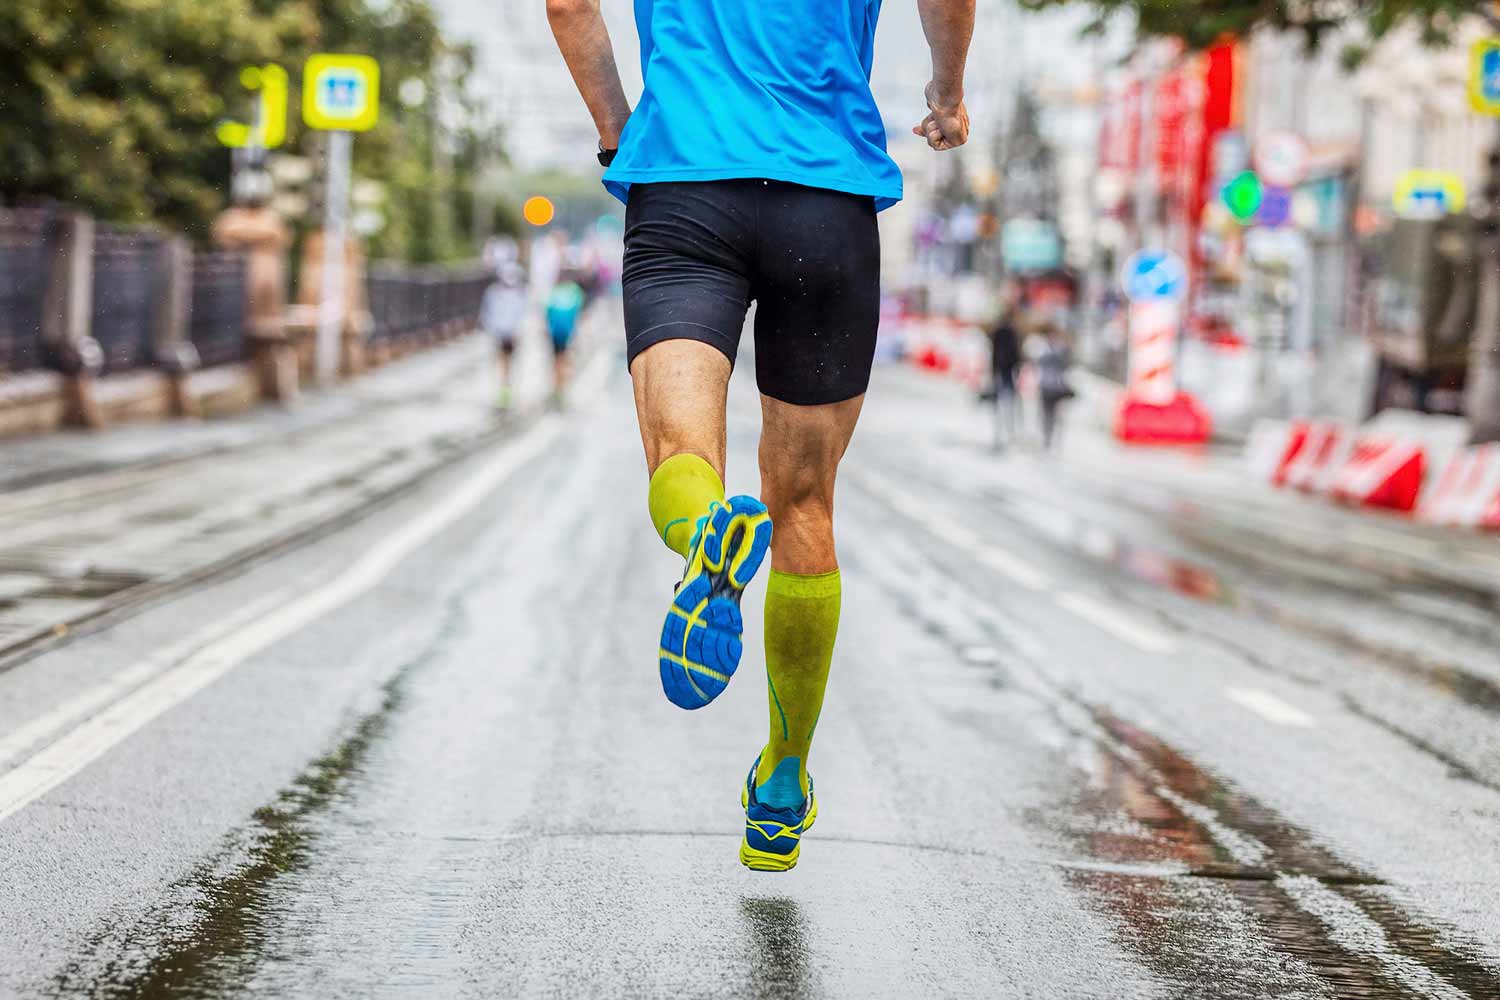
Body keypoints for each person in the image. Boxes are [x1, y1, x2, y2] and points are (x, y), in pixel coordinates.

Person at [548, 0, 973, 872]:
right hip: (828, 194)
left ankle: (706, 533)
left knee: (681, 458)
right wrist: (946, 93)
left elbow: (567, 5)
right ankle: (783, 781)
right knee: (805, 507)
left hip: (683, 189)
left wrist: (617, 131)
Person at [480, 264, 528, 410]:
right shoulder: (493, 293)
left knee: (508, 362)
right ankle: (504, 390)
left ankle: (507, 390)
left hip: (511, 334)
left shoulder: (520, 293)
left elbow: (524, 315)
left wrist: (519, 331)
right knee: (503, 362)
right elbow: (487, 313)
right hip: (500, 333)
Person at [544, 272, 586, 403]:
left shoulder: (555, 291)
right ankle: (561, 387)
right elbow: (579, 313)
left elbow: (547, 311)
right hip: (567, 332)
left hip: (554, 331)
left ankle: (556, 387)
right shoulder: (576, 292)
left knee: (556, 359)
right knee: (564, 358)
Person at [1032, 324, 1075, 451]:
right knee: (1046, 414)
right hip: (1046, 386)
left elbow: (1067, 365)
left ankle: (1054, 440)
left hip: (1057, 386)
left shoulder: (1061, 349)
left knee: (1056, 415)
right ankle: (1046, 439)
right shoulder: (1042, 349)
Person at [988, 306, 1022, 450]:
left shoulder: (998, 332)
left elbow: (994, 354)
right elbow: (1015, 355)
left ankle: (1002, 434)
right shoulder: (1011, 333)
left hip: (1002, 371)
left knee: (1002, 405)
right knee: (1007, 404)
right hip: (1006, 372)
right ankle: (1005, 434)